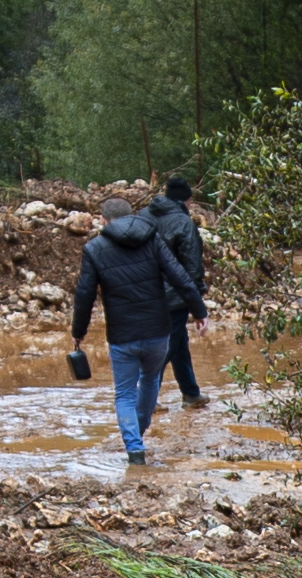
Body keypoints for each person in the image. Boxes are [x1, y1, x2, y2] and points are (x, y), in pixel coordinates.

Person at [65, 192, 196, 463]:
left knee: (124, 393)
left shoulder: (95, 248)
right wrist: (200, 310)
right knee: (150, 379)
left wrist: (79, 331)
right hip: (157, 330)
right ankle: (138, 431)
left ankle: (134, 449)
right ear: (132, 215)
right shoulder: (151, 238)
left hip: (122, 335)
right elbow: (178, 275)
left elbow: (84, 294)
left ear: (103, 220)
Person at [148, 173, 215, 408]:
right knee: (167, 345)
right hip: (174, 296)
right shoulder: (183, 223)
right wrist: (197, 304)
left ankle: (190, 392)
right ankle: (148, 398)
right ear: (185, 201)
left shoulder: (145, 216)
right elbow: (193, 268)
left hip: (146, 293)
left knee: (178, 344)